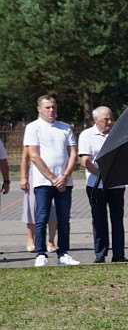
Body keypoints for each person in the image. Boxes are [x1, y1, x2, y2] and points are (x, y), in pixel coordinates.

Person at [24, 95, 79, 267]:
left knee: (63, 219)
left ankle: (63, 252)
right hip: (43, 182)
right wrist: (53, 178)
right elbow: (33, 155)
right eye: (47, 107)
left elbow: (73, 154)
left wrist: (64, 176)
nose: (51, 110)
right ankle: (40, 253)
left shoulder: (65, 128)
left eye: (53, 107)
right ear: (39, 109)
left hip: (64, 182)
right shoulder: (33, 128)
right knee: (41, 217)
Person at [78, 106, 128, 263]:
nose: (109, 121)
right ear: (95, 120)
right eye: (105, 119)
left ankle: (119, 254)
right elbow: (85, 160)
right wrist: (102, 175)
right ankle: (100, 254)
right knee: (99, 219)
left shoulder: (117, 133)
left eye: (110, 118)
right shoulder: (87, 135)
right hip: (96, 185)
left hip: (116, 184)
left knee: (117, 220)